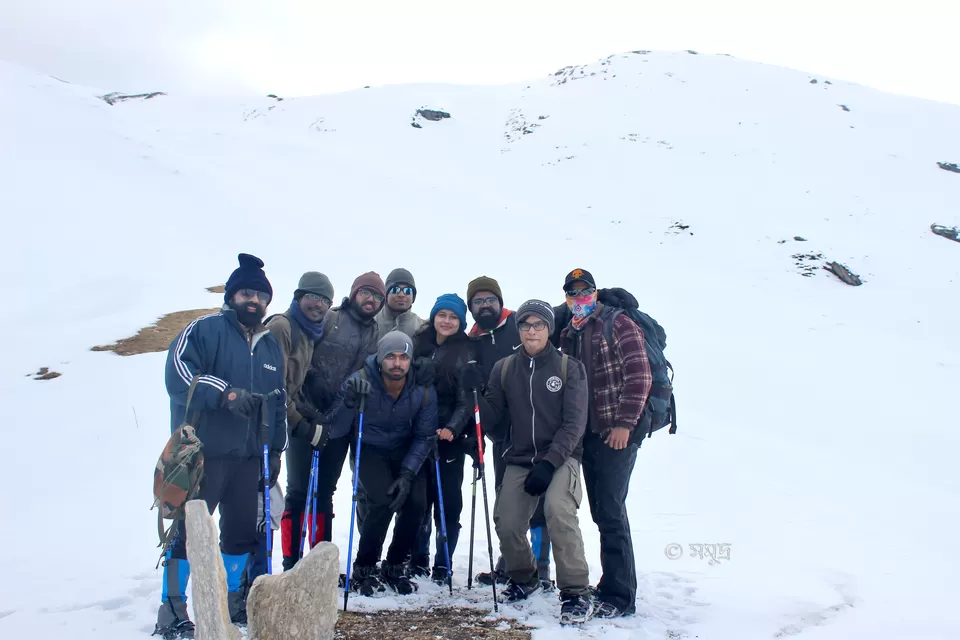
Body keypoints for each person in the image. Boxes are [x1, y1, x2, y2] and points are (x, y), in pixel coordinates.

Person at [154, 253, 287, 638]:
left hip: (248, 458)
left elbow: (277, 400)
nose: (253, 300)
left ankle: (228, 605)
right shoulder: (204, 329)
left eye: (260, 295)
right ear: (231, 296)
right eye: (246, 292)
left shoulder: (268, 346)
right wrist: (225, 394)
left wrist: (275, 451)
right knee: (188, 533)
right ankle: (173, 611)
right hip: (202, 454)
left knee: (241, 533)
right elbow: (178, 374)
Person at [462, 300, 594, 624]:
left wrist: (549, 464)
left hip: (561, 458)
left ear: (548, 329)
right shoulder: (504, 368)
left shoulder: (569, 368)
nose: (531, 331)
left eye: (538, 325)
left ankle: (576, 592)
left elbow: (574, 424)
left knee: (558, 511)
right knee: (506, 519)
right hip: (520, 458)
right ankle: (524, 578)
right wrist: (475, 392)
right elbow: (493, 422)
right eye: (525, 325)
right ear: (519, 330)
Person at [557, 269, 652, 619]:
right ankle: (610, 583)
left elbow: (639, 373)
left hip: (618, 434)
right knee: (600, 512)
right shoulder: (568, 333)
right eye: (572, 293)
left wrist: (626, 423)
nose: (579, 298)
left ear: (595, 293)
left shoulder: (619, 323)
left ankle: (621, 596)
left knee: (611, 512)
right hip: (589, 436)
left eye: (585, 292)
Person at [327, 331, 437, 595]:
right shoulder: (360, 381)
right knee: (382, 500)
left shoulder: (422, 389)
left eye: (403, 357)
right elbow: (335, 427)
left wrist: (408, 473)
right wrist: (350, 401)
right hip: (370, 448)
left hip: (406, 448)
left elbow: (425, 434)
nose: (397, 363)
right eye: (390, 356)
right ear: (380, 358)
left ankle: (396, 564)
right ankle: (364, 566)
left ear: (410, 360)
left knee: (416, 503)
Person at [288, 272, 385, 569]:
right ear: (354, 293)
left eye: (376, 296)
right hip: (305, 418)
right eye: (365, 293)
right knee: (298, 492)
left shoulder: (376, 332)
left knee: (325, 493)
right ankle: (291, 562)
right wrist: (309, 390)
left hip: (339, 425)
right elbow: (301, 353)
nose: (371, 299)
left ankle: (319, 565)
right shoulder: (329, 318)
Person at [465, 276, 553, 591]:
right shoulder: (472, 339)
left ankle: (541, 567)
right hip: (502, 435)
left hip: (537, 430)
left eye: (490, 299)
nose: (485, 305)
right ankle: (512, 564)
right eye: (478, 301)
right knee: (506, 503)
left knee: (539, 503)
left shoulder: (520, 325)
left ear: (500, 302)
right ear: (471, 307)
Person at [263, 272, 336, 572]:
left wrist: (308, 414)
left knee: (301, 493)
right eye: (312, 297)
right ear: (298, 297)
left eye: (325, 300)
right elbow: (274, 387)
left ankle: (306, 566)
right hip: (268, 425)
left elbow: (294, 387)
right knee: (280, 496)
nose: (318, 305)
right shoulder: (282, 327)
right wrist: (302, 424)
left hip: (283, 422)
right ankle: (286, 565)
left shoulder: (309, 333)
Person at [408, 294, 475, 584]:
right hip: (417, 434)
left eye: (453, 317)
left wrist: (453, 428)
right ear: (434, 316)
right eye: (442, 315)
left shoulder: (465, 351)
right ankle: (418, 556)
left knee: (448, 501)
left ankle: (443, 562)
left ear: (461, 323)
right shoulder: (418, 343)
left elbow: (466, 400)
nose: (447, 321)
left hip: (449, 437)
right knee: (418, 499)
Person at [375, 268, 426, 337]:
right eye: (395, 290)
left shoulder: (421, 327)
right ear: (386, 295)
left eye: (407, 291)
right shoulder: (372, 322)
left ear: (413, 297)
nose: (401, 295)